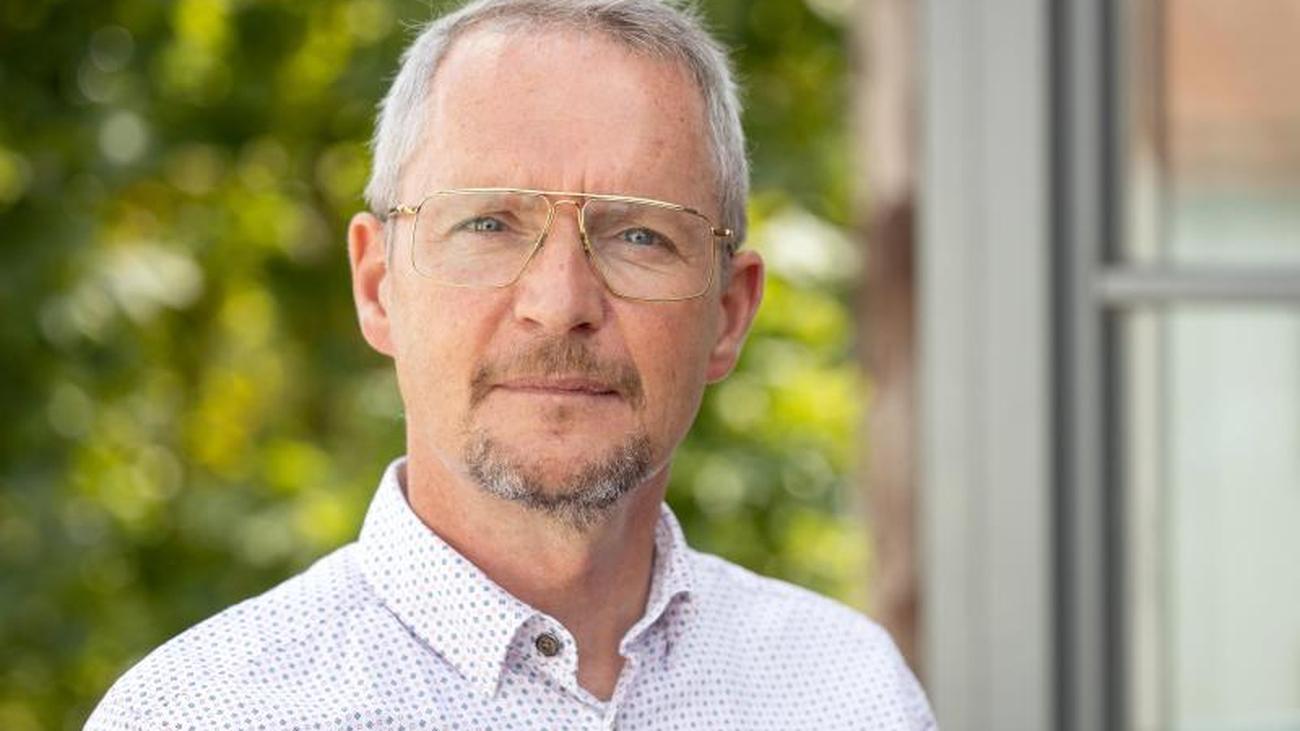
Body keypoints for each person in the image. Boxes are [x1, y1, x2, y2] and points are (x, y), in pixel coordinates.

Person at [86, 1, 935, 728]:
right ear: (378, 286)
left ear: (729, 313)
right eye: (488, 224)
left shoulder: (848, 693)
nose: (560, 301)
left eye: (640, 234)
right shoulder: (202, 713)